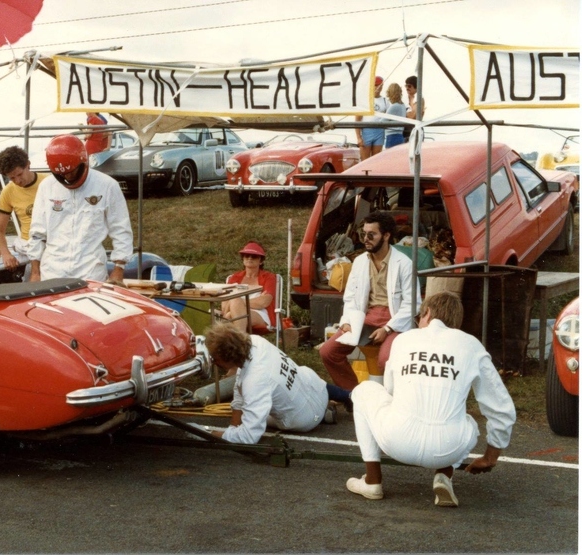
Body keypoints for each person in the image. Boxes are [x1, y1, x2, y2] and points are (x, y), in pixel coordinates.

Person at [345, 291, 517, 507]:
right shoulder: (471, 345)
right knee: (470, 423)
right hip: (447, 449)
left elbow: (390, 390)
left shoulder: (403, 339)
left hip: (397, 441)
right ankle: (444, 475)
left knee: (364, 390)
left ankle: (372, 480)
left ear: (427, 313)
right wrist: (491, 456)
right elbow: (501, 407)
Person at [318, 212, 419, 396]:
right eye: (363, 234)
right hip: (365, 319)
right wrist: (347, 321)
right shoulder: (359, 262)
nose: (366, 239)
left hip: (394, 321)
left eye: (371, 234)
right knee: (328, 352)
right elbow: (350, 298)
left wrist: (388, 329)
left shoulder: (404, 263)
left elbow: (413, 304)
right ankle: (353, 395)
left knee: (385, 360)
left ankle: (392, 401)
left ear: (386, 235)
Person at [205, 323, 341, 444]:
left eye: (215, 359)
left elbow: (248, 437)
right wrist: (233, 426)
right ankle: (329, 406)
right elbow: (240, 386)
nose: (214, 363)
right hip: (318, 389)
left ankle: (321, 413)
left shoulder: (255, 381)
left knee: (250, 415)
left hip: (304, 420)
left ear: (229, 357)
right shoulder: (255, 341)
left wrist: (209, 435)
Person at [28, 134, 133, 285]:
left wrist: (119, 268)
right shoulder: (46, 187)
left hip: (90, 271)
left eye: (71, 171)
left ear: (83, 161)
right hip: (52, 272)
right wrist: (35, 273)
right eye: (62, 174)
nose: (68, 177)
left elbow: (121, 229)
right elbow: (37, 233)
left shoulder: (108, 185)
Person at [0, 146, 47, 276]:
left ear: (28, 165)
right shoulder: (8, 191)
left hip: (52, 242)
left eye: (20, 174)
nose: (18, 181)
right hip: (28, 244)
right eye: (12, 178)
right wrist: (6, 254)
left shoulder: (48, 182)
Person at [220, 241, 276, 332]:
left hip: (260, 313)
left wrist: (238, 303)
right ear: (243, 259)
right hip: (233, 313)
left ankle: (238, 340)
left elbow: (264, 303)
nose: (250, 258)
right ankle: (241, 339)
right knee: (230, 314)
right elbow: (224, 303)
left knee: (234, 302)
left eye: (254, 256)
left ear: (261, 261)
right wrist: (241, 304)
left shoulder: (268, 277)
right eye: (246, 255)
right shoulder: (234, 277)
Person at [354, 76, 389, 160]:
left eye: (379, 86)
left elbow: (391, 115)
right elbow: (357, 119)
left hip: (379, 131)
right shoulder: (365, 100)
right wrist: (358, 137)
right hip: (366, 131)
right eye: (375, 85)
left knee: (375, 160)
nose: (377, 88)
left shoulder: (385, 101)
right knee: (364, 161)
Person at [383, 83, 407, 149]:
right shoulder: (402, 105)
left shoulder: (394, 106)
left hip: (392, 137)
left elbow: (382, 122)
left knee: (389, 158)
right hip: (400, 136)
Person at [402, 75, 426, 141]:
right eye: (406, 86)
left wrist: (403, 114)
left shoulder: (420, 99)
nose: (407, 88)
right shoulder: (404, 98)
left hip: (416, 128)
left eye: (409, 86)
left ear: (416, 87)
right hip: (404, 129)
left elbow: (413, 116)